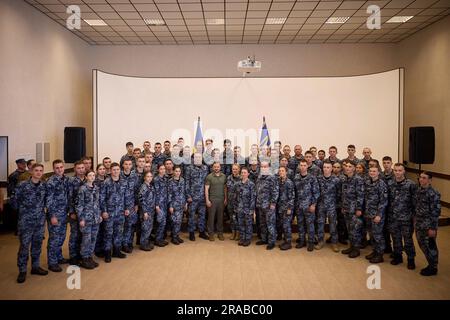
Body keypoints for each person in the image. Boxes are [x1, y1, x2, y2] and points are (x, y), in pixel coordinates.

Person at [13, 163, 48, 284]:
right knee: (24, 246)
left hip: (39, 221)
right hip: (26, 222)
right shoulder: (22, 185)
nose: (39, 172)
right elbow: (14, 202)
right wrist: (24, 212)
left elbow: (45, 202)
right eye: (36, 170)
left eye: (41, 171)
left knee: (37, 244)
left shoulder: (44, 186)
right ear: (31, 172)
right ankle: (22, 270)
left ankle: (35, 267)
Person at [388, 163, 417, 270]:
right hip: (393, 217)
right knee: (396, 238)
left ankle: (410, 259)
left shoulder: (411, 185)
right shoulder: (390, 183)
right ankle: (398, 256)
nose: (397, 172)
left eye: (400, 170)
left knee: (408, 240)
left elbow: (415, 203)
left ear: (404, 171)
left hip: (406, 218)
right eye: (395, 170)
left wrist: (414, 218)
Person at [100, 162, 129, 262]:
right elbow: (102, 198)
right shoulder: (106, 182)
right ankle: (107, 253)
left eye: (117, 169)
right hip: (109, 212)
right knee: (108, 233)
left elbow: (126, 196)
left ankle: (117, 251)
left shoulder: (124, 182)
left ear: (120, 170)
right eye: (114, 170)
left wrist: (126, 208)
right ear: (110, 171)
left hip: (120, 212)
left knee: (119, 232)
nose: (116, 171)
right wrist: (103, 211)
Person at [45, 159, 70, 272]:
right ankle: (52, 262)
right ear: (53, 169)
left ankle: (59, 257)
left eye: (61, 167)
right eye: (57, 168)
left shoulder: (66, 179)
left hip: (64, 213)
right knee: (54, 239)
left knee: (61, 237)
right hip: (55, 215)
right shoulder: (50, 182)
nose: (59, 169)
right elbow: (48, 201)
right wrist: (52, 216)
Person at [414, 171, 441, 276]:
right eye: (420, 177)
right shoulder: (418, 191)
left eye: (424, 178)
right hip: (419, 224)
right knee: (422, 245)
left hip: (428, 225)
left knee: (430, 246)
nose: (421, 179)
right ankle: (430, 264)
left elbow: (435, 212)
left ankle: (433, 267)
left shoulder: (433, 193)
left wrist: (433, 228)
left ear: (430, 180)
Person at [76, 170, 101, 270]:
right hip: (86, 218)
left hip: (95, 218)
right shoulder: (82, 189)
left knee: (93, 238)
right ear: (86, 177)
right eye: (90, 175)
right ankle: (84, 258)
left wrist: (99, 215)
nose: (92, 177)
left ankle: (90, 256)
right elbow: (79, 205)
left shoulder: (96, 188)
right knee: (86, 239)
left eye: (93, 175)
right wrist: (81, 218)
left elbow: (97, 203)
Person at [293, 159, 319, 252]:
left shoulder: (312, 178)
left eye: (304, 165)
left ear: (307, 166)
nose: (303, 167)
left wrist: (313, 204)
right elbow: (294, 192)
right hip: (299, 206)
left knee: (310, 225)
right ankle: (302, 241)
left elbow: (316, 192)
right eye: (301, 165)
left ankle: (311, 242)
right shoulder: (296, 177)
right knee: (300, 224)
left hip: (309, 206)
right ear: (299, 166)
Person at [340, 160, 365, 258]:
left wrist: (359, 209)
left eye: (350, 166)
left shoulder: (358, 179)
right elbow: (344, 195)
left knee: (355, 229)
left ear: (354, 168)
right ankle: (351, 246)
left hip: (354, 209)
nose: (347, 168)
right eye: (346, 166)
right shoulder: (345, 179)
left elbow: (360, 195)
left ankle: (356, 249)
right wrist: (343, 206)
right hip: (347, 208)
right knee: (349, 229)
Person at [364, 166, 388, 264]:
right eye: (370, 171)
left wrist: (379, 215)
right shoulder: (368, 182)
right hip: (368, 213)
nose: (372, 173)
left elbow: (383, 201)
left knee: (378, 235)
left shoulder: (381, 184)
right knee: (372, 234)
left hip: (376, 215)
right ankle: (375, 251)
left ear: (378, 173)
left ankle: (380, 254)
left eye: (374, 171)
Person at [317, 160, 341, 252]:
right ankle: (320, 241)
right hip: (321, 205)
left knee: (333, 225)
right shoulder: (318, 178)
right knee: (320, 224)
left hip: (332, 206)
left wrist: (337, 205)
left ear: (331, 169)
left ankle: (334, 243)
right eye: (324, 167)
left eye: (328, 167)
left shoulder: (336, 180)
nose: (326, 169)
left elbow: (339, 193)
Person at [255, 161, 279, 250]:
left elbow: (275, 192)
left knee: (270, 224)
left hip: (269, 206)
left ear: (268, 167)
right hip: (260, 205)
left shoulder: (272, 178)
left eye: (265, 167)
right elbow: (257, 190)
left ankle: (271, 242)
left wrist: (273, 203)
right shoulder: (259, 177)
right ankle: (264, 239)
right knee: (262, 224)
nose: (263, 168)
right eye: (262, 167)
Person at [186, 153, 209, 241]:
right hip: (193, 197)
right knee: (191, 215)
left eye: (199, 157)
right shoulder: (189, 168)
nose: (198, 159)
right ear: (193, 159)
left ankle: (201, 232)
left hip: (203, 196)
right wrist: (188, 195)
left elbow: (207, 182)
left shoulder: (205, 168)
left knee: (202, 215)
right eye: (196, 157)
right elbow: (187, 182)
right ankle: (191, 233)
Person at [67, 160, 86, 265]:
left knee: (83, 235)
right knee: (75, 234)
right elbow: (69, 198)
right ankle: (73, 257)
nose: (81, 170)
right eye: (78, 168)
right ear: (75, 169)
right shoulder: (71, 181)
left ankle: (81, 255)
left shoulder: (88, 179)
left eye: (82, 168)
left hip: (85, 213)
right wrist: (71, 212)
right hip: (75, 212)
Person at [120, 159, 140, 253]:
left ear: (132, 165)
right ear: (123, 165)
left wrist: (136, 204)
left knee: (130, 225)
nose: (128, 166)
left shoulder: (134, 176)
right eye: (126, 164)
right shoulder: (119, 175)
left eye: (129, 164)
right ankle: (120, 244)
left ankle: (128, 243)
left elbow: (136, 191)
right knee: (120, 226)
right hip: (119, 205)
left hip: (131, 204)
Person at [205, 162, 227, 241]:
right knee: (211, 217)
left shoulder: (224, 176)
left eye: (218, 167)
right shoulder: (209, 177)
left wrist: (226, 198)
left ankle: (220, 233)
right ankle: (211, 233)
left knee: (220, 218)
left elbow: (225, 188)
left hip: (221, 200)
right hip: (212, 200)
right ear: (213, 168)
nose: (216, 168)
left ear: (220, 167)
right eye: (215, 167)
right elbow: (206, 189)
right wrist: (207, 200)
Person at [235, 167, 256, 247]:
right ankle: (242, 238)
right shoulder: (238, 184)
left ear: (248, 174)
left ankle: (247, 239)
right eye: (242, 173)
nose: (243, 174)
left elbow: (253, 198)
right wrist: (236, 207)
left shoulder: (251, 184)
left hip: (248, 208)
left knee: (248, 224)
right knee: (241, 224)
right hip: (240, 208)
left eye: (245, 173)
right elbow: (236, 196)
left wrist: (251, 210)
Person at [168, 166, 187, 245]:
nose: (177, 173)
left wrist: (185, 203)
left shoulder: (182, 180)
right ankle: (174, 237)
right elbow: (169, 194)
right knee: (175, 221)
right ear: (173, 172)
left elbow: (184, 192)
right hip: (174, 204)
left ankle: (176, 235)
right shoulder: (170, 181)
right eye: (176, 171)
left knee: (179, 221)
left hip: (181, 204)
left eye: (179, 171)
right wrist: (171, 206)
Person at [277, 167, 295, 250]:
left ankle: (288, 243)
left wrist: (289, 208)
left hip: (287, 208)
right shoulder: (279, 181)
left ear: (286, 172)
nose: (281, 172)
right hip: (280, 207)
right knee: (283, 225)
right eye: (280, 171)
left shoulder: (289, 182)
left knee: (287, 226)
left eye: (282, 171)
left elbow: (292, 197)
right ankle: (285, 241)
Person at [138, 171, 156, 251]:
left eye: (151, 176)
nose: (149, 178)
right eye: (148, 176)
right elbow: (141, 200)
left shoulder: (150, 186)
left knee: (149, 227)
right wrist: (144, 212)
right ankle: (143, 244)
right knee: (145, 228)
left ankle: (146, 242)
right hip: (145, 211)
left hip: (151, 210)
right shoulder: (143, 187)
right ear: (144, 177)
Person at [153, 164, 169, 247]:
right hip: (159, 204)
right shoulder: (156, 179)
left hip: (165, 203)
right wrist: (156, 205)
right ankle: (157, 240)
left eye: (164, 169)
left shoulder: (165, 178)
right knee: (160, 222)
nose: (163, 170)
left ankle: (161, 238)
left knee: (163, 222)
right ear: (158, 170)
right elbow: (155, 193)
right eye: (161, 169)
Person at [227, 164, 241, 240]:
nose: (234, 170)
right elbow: (226, 188)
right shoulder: (229, 178)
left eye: (236, 169)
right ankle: (233, 233)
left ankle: (238, 233)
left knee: (238, 218)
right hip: (230, 202)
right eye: (233, 169)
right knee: (232, 218)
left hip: (238, 202)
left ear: (239, 170)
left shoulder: (242, 178)